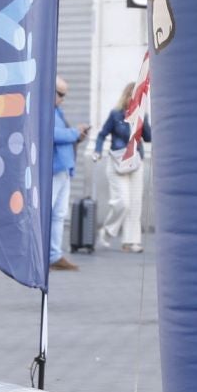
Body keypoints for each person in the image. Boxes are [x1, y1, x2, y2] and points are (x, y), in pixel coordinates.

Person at [93, 81, 151, 253]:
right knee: (123, 202)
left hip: (136, 162)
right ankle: (107, 230)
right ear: (128, 96)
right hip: (117, 162)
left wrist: (145, 122)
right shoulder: (116, 114)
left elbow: (148, 138)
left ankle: (130, 242)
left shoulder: (141, 115)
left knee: (135, 204)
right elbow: (102, 135)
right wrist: (97, 151)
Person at [49, 77, 90, 271]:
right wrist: (75, 132)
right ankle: (47, 255)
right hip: (53, 169)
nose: (63, 99)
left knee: (58, 215)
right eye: (61, 94)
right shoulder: (44, 110)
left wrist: (76, 135)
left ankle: (54, 255)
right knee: (50, 214)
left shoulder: (57, 111)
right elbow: (51, 134)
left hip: (62, 169)